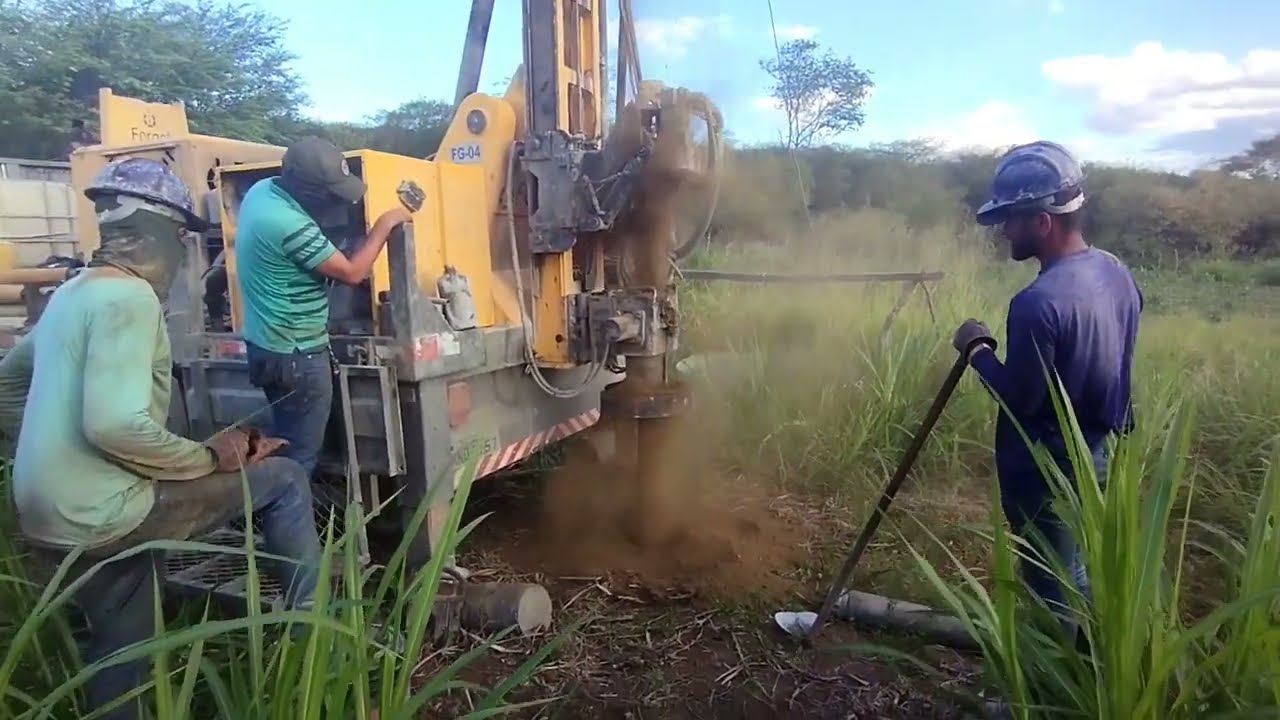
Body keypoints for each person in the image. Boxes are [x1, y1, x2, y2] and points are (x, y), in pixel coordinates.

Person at [0, 157, 324, 720]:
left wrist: (48, 457)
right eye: (181, 239)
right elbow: (114, 424)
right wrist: (204, 458)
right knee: (287, 479)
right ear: (161, 236)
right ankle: (314, 634)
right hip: (106, 516)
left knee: (115, 641)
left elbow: (7, 386)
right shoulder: (130, 299)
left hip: (42, 508)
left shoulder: (73, 292)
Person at [952, 140, 1143, 625]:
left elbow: (1023, 399)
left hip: (1047, 472)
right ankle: (1095, 670)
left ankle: (1045, 693)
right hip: (1101, 452)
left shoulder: (1037, 303)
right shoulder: (1114, 271)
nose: (1004, 232)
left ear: (1043, 222)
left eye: (1010, 220)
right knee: (1074, 565)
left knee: (1050, 581)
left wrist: (978, 351)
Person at [234, 136, 411, 477]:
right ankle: (290, 522)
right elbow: (353, 273)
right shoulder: (288, 224)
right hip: (297, 354)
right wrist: (384, 225)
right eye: (330, 194)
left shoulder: (262, 191)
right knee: (299, 459)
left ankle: (292, 510)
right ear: (308, 191)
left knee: (289, 438)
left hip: (265, 345)